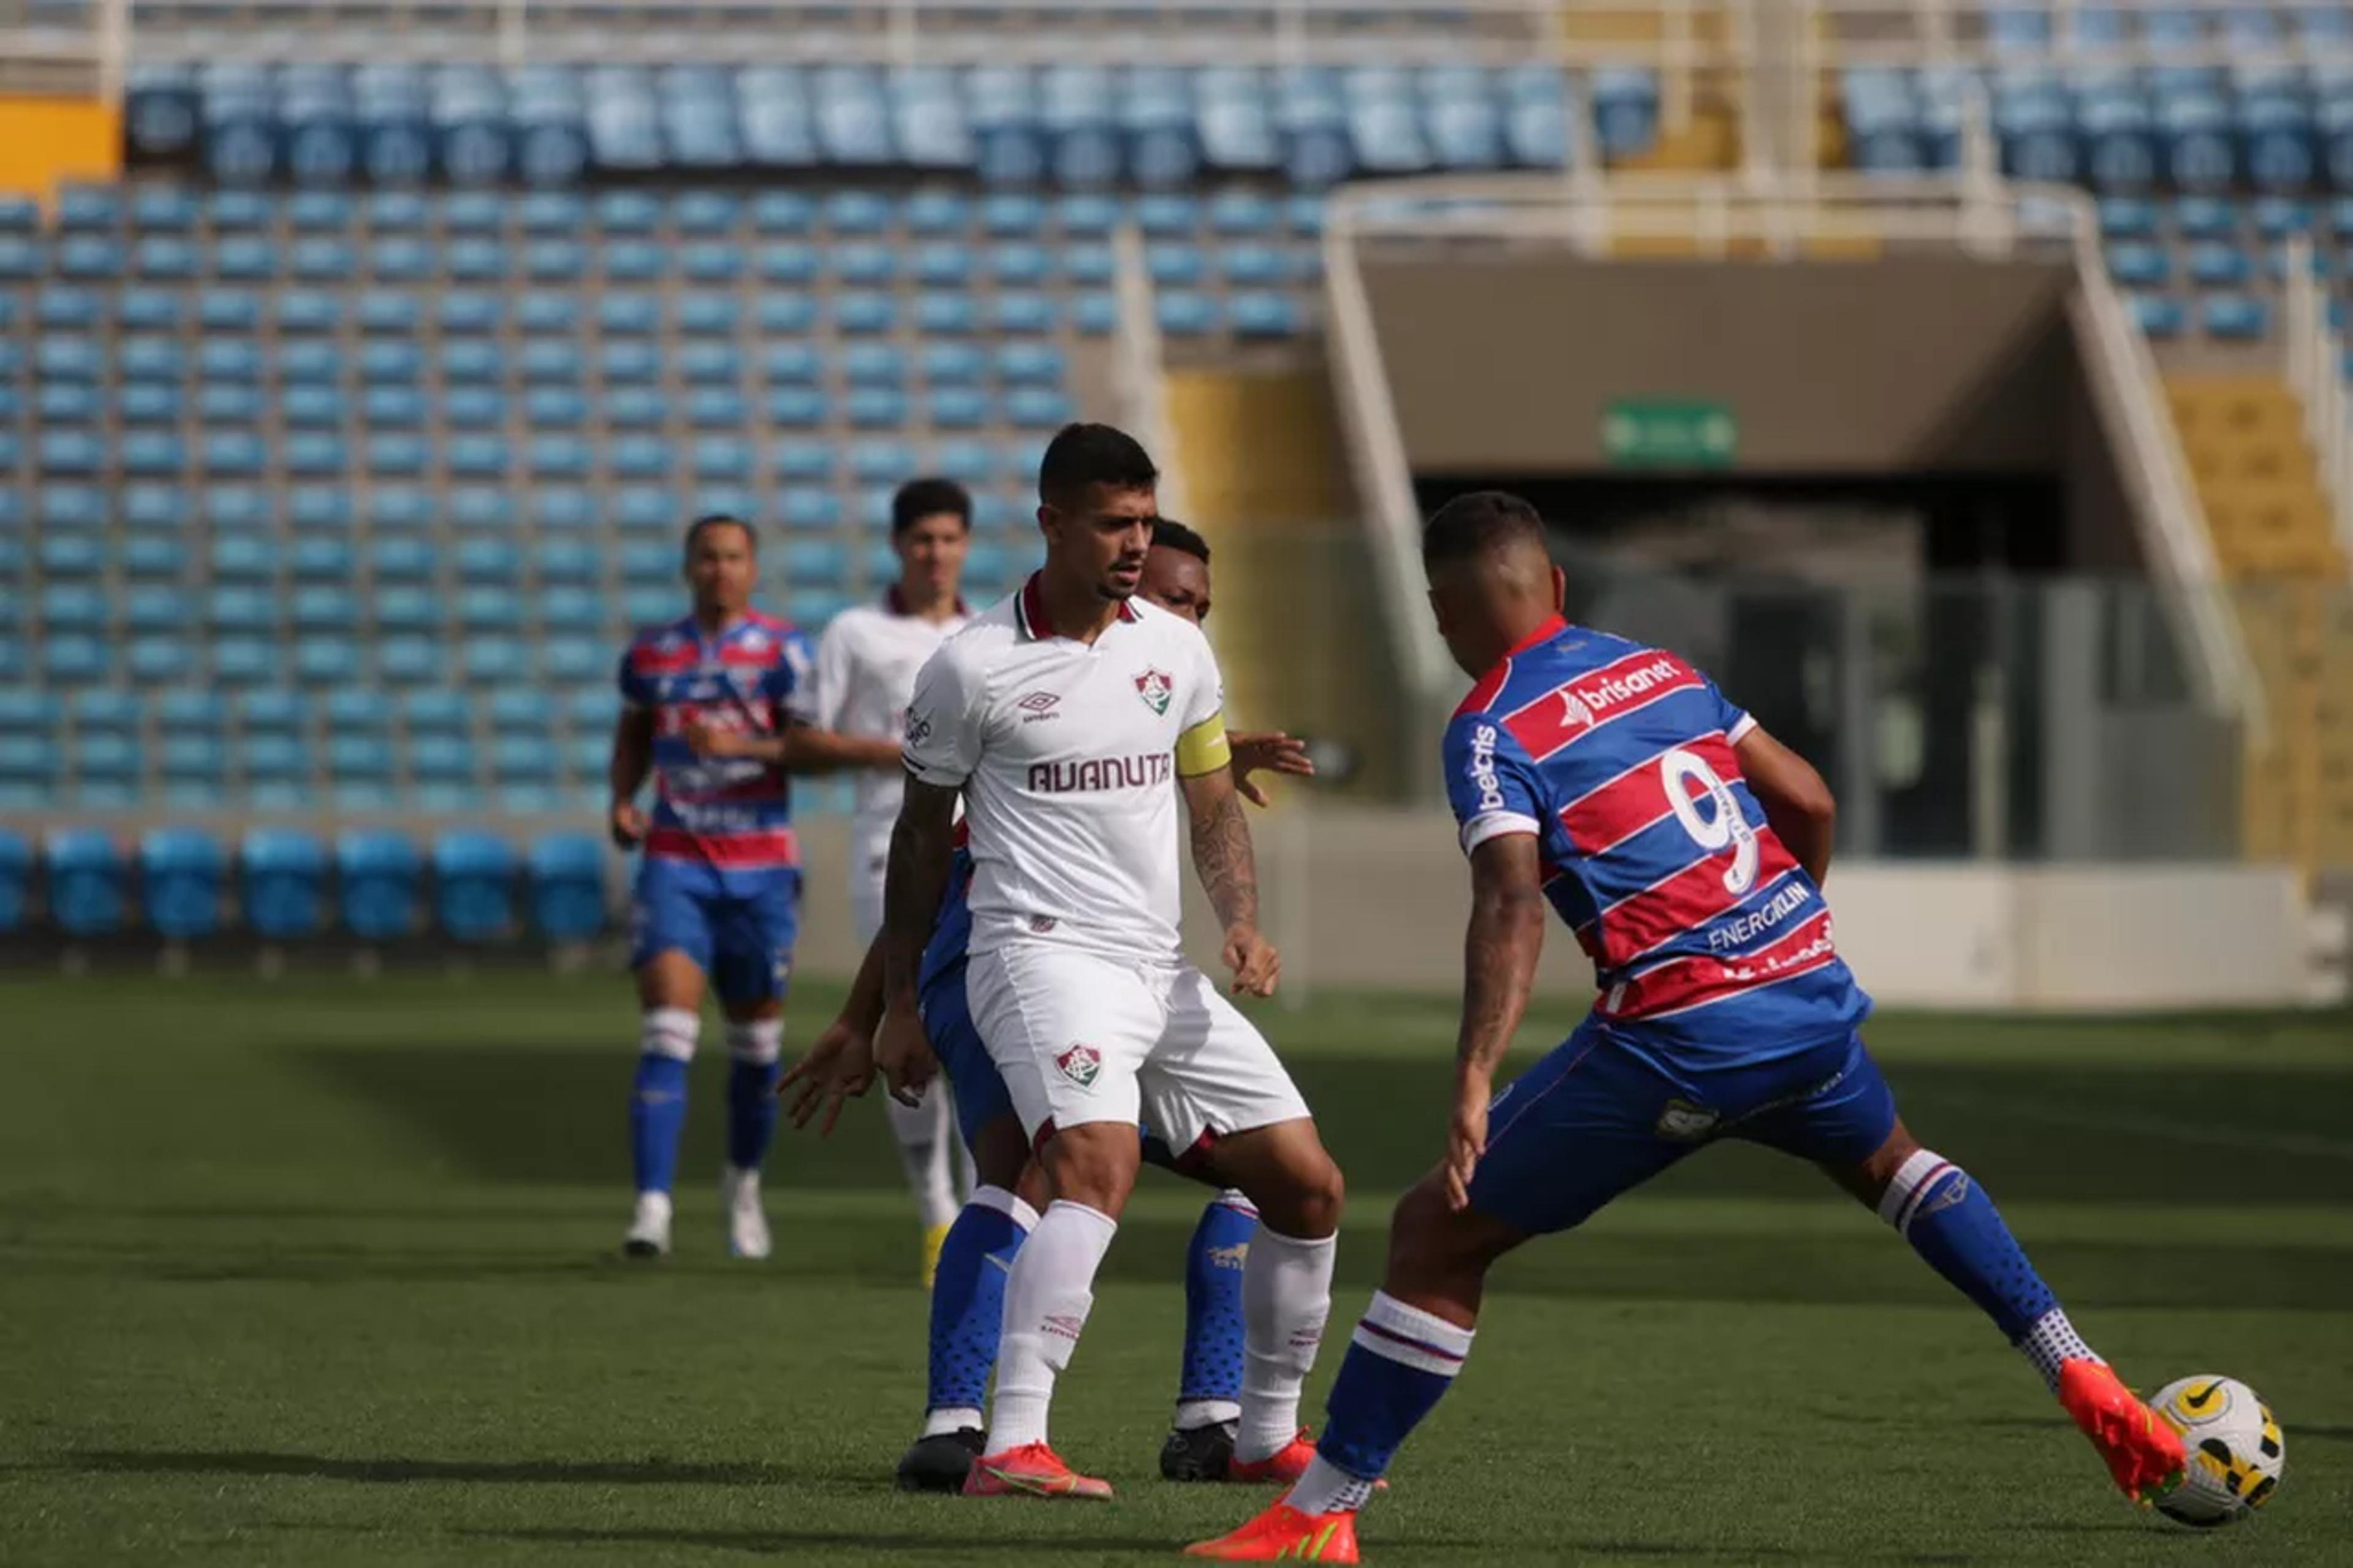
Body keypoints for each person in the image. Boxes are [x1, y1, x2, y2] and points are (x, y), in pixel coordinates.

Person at [1190, 491, 2188, 1562]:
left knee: (1440, 1228)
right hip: (1805, 999)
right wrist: (1780, 931)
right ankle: (2076, 1362)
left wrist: (1475, 1071)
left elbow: (1512, 900)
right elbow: (1807, 796)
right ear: (1557, 587)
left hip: (1679, 1037)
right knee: (1899, 1168)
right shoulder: (1661, 667)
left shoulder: (1487, 726)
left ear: (1441, 614)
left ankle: (1317, 1515)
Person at [786, 520, 1319, 1493]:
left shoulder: (1163, 679)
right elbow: (933, 852)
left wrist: (1229, 855)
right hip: (988, 963)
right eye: (1168, 595)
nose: (1182, 616)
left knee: (1271, 1175)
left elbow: (1184, 781)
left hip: (1132, 981)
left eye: (1200, 604)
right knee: (1027, 1168)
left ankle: (1216, 1419)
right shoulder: (1002, 681)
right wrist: (874, 1013)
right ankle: (959, 1424)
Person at [608, 514, 900, 1261]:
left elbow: (807, 753)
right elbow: (635, 730)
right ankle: (652, 1207)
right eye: (707, 557)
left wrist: (742, 745)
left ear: (752, 568)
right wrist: (623, 796)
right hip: (676, 859)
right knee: (667, 1032)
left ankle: (742, 1186)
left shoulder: (784, 651)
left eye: (734, 557)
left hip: (762, 868)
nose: (720, 569)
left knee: (755, 1048)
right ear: (688, 566)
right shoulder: (654, 652)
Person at [810, 477, 977, 1285]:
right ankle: (936, 1214)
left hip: (981, 849)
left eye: (949, 538)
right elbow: (809, 737)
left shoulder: (988, 636)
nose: (935, 553)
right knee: (905, 1015)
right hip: (888, 842)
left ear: (966, 545)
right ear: (898, 545)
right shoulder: (855, 630)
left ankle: (986, 1209)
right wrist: (907, 754)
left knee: (973, 1029)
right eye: (922, 539)